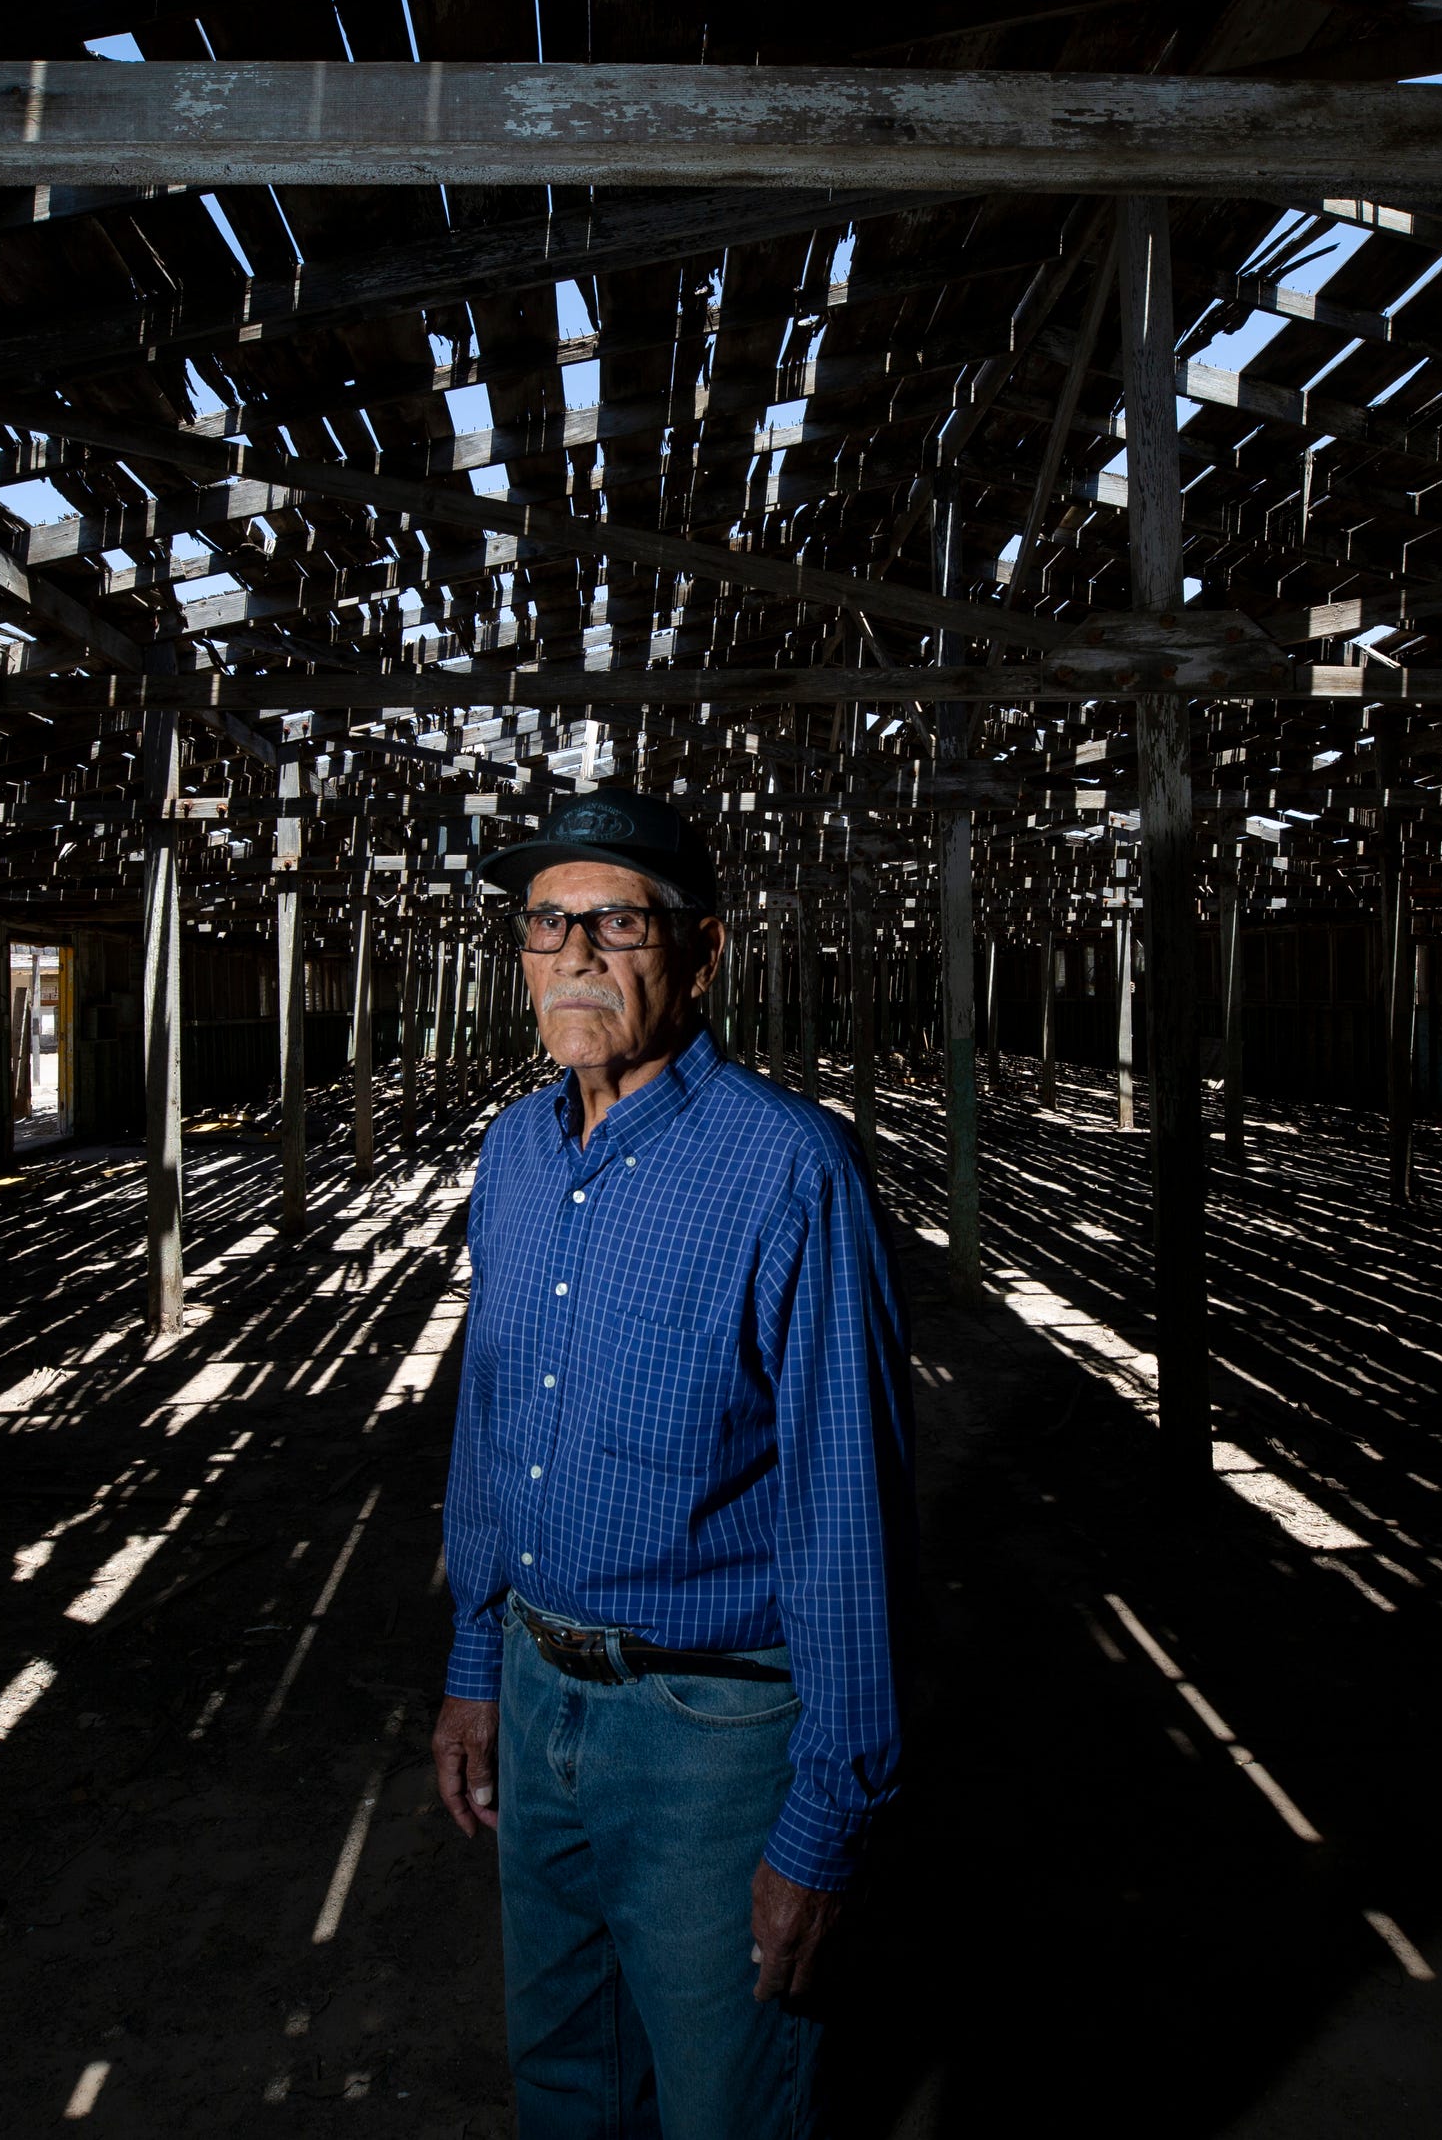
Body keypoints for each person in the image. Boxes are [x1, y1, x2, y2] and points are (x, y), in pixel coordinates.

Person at [431, 787, 914, 2140]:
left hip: (709, 1733)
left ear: (699, 954)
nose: (576, 950)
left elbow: (848, 1517)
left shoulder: (787, 1172)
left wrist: (823, 1821)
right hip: (538, 1696)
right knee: (567, 2074)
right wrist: (479, 1660)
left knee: (727, 2103)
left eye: (617, 919)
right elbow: (489, 1425)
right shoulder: (515, 1154)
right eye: (546, 920)